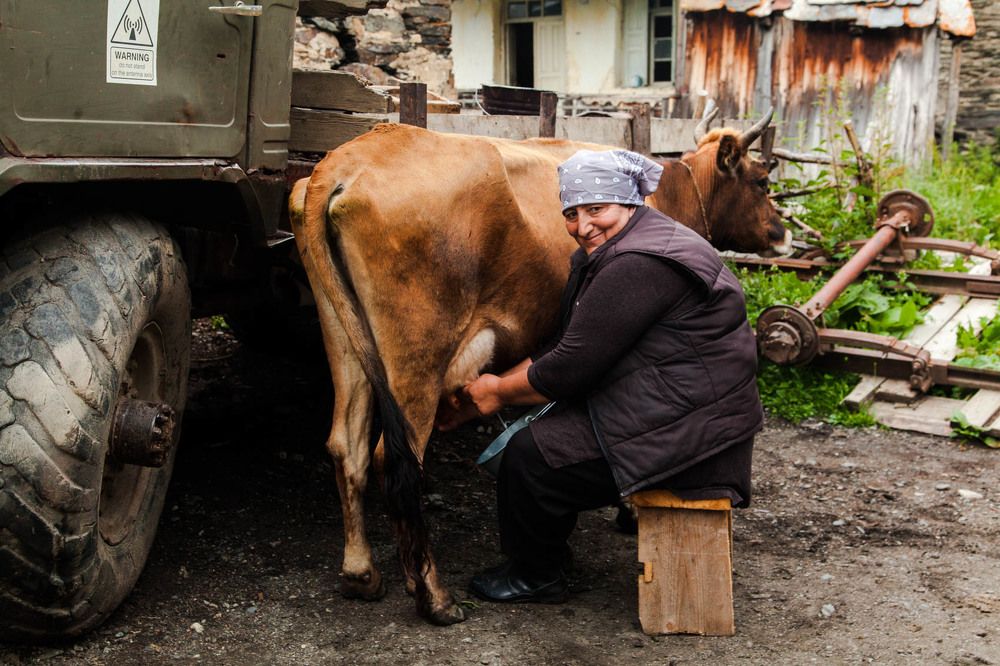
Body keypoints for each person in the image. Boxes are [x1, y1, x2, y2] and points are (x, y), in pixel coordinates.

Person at [440, 148, 764, 604]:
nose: (583, 225)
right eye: (572, 213)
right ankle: (545, 554)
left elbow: (571, 365)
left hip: (696, 438)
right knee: (544, 436)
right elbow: (567, 344)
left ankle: (537, 573)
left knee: (531, 456)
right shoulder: (638, 243)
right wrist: (487, 393)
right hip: (688, 408)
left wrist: (495, 391)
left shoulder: (637, 264)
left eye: (597, 209)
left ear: (629, 202)